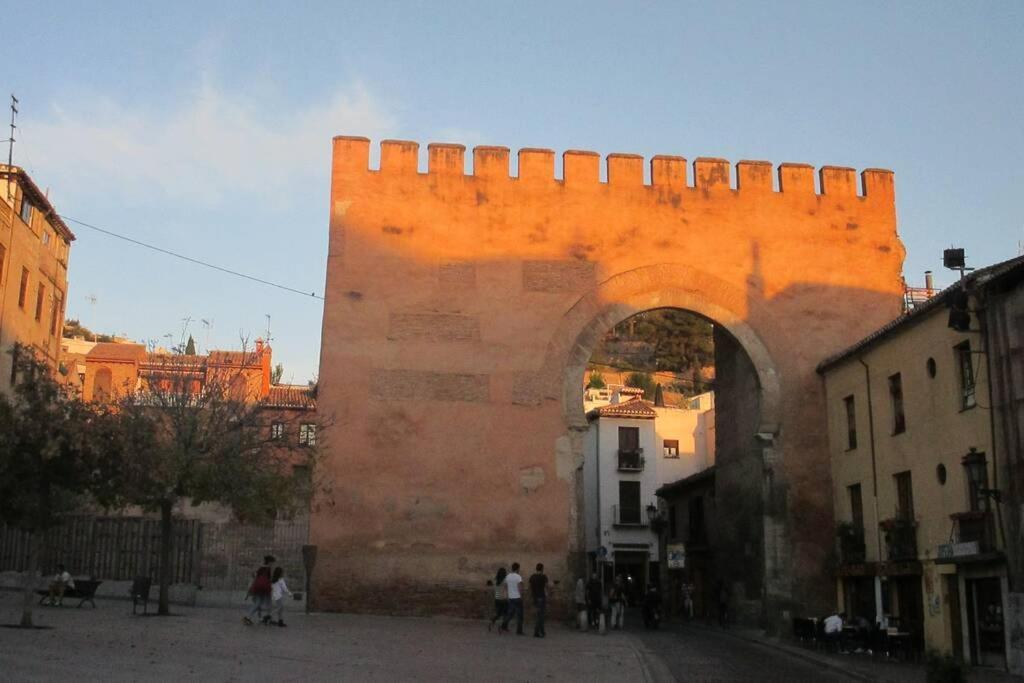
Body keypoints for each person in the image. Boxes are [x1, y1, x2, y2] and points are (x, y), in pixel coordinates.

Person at [243, 555, 276, 625]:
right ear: (270, 562)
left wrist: (251, 589)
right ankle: (267, 618)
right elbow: (269, 580)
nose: (273, 564)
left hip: (258, 587)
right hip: (264, 588)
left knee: (258, 603)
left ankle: (249, 617)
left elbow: (255, 578)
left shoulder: (261, 568)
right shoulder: (268, 569)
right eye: (272, 562)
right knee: (266, 603)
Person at [500, 562, 524, 635]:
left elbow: (505, 586)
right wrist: (521, 595)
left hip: (510, 597)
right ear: (517, 569)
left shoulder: (508, 576)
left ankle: (503, 625)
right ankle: (519, 631)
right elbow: (520, 587)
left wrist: (507, 594)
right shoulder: (518, 577)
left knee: (510, 613)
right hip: (517, 597)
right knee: (520, 615)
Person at [529, 563, 548, 638]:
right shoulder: (543, 577)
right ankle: (537, 632)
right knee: (540, 616)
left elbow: (530, 587)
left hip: (535, 597)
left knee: (539, 615)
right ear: (542, 569)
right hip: (541, 597)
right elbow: (546, 587)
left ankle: (542, 631)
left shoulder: (532, 577)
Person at [488, 567, 508, 632]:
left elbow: (494, 589)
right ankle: (502, 627)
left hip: (497, 599)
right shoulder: (505, 580)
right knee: (505, 614)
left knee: (498, 614)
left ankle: (492, 623)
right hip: (504, 599)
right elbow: (507, 589)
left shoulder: (495, 580)